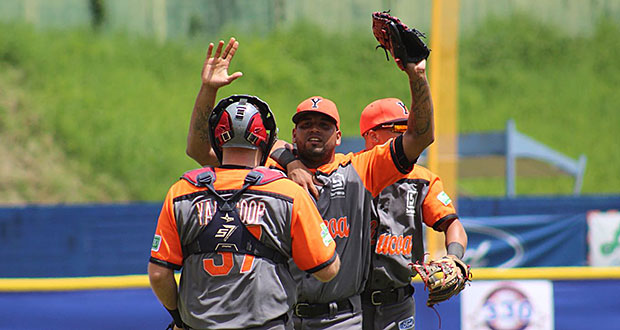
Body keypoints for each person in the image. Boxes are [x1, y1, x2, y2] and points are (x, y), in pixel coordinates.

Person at [185, 37, 435, 329]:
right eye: (306, 125)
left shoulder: (361, 169)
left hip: (342, 319)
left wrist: (417, 76)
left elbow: (420, 137)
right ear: (293, 134)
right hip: (284, 317)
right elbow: (200, 150)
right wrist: (209, 89)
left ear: (338, 136)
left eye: (324, 125)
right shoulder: (269, 171)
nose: (314, 130)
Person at [149, 39, 340, 330]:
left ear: (218, 137)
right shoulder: (288, 193)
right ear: (267, 140)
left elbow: (159, 275)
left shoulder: (182, 192)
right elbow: (327, 270)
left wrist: (179, 318)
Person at [358, 98, 468, 330]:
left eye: (409, 128)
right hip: (351, 304)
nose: (408, 135)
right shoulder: (348, 172)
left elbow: (452, 224)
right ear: (372, 136)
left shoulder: (422, 179)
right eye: (399, 129)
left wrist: (454, 257)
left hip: (398, 304)